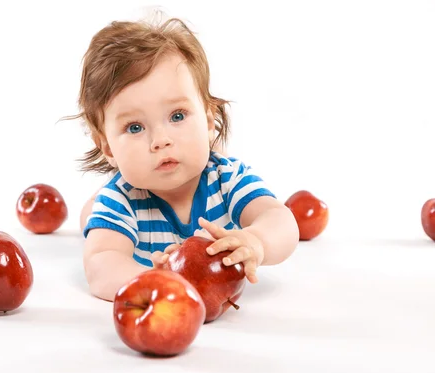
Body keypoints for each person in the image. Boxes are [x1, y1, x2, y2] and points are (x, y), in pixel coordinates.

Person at [68, 15, 299, 302]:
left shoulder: (227, 178)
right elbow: (101, 265)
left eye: (177, 116)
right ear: (108, 147)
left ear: (209, 119)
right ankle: (90, 214)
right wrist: (157, 281)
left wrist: (257, 241)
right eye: (135, 127)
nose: (161, 140)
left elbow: (279, 218)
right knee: (96, 215)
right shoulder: (120, 200)